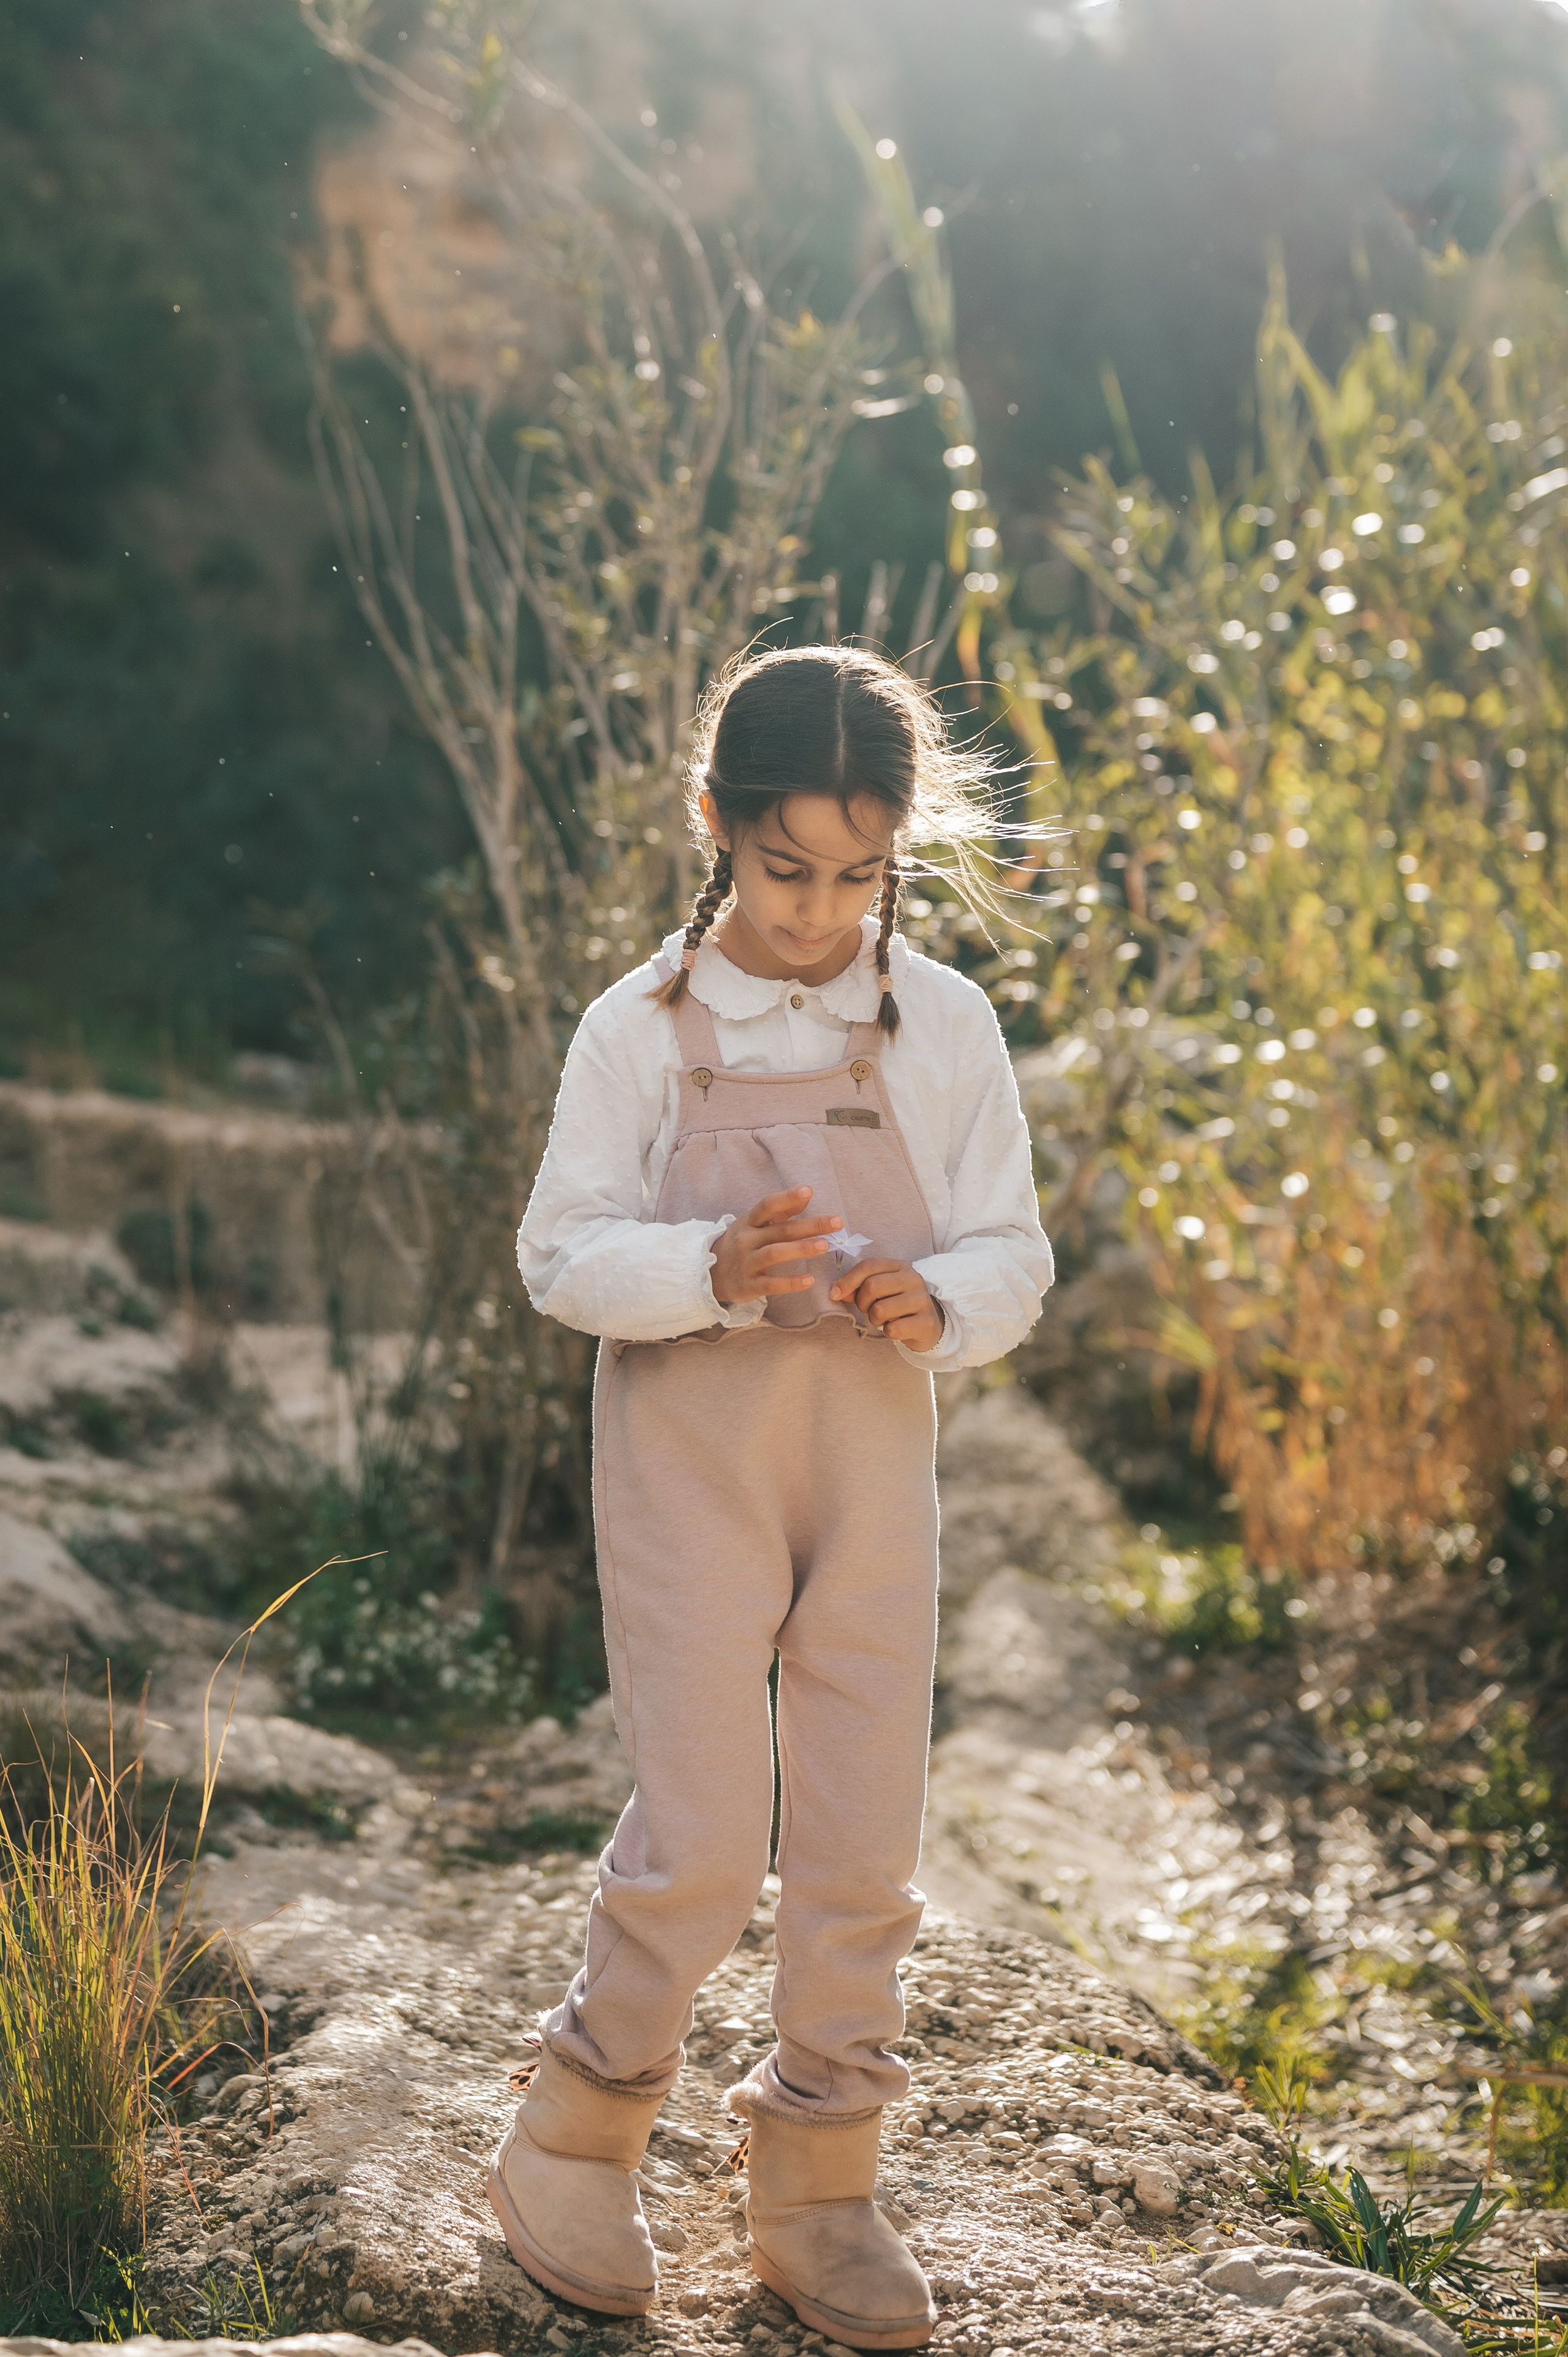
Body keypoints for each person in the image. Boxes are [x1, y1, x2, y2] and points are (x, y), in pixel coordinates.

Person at [492, 644, 1054, 2350]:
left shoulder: (942, 1024)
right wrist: (715, 1269)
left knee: (865, 1837)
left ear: (900, 854)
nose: (820, 913)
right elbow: (561, 1255)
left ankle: (819, 2184)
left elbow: (1013, 1251)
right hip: (689, 1460)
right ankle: (575, 2137)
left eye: (860, 877)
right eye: (786, 869)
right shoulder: (642, 1027)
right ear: (719, 829)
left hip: (871, 1460)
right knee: (709, 1836)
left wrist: (939, 1305)